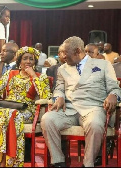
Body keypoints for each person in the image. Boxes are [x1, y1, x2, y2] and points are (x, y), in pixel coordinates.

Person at [41, 36, 121, 167]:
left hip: (93, 108)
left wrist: (113, 95)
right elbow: (58, 89)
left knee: (95, 124)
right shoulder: (62, 68)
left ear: (77, 51)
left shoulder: (103, 64)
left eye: (65, 53)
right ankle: (58, 161)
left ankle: (87, 164)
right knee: (47, 119)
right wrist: (59, 96)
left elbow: (115, 88)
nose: (62, 56)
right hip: (70, 109)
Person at [0, 46, 51, 167]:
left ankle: (6, 161)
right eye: (25, 58)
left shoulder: (41, 77)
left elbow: (45, 96)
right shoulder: (10, 74)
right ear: (19, 61)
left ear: (35, 61)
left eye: (31, 59)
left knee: (9, 115)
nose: (28, 61)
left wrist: (33, 76)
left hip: (26, 109)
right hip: (7, 106)